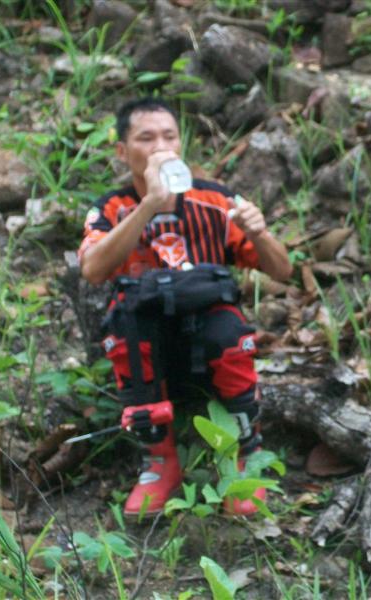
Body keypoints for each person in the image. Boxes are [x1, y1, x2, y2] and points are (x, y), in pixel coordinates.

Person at [77, 97, 292, 516]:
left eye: (169, 137)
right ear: (122, 151)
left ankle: (245, 456)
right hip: (148, 343)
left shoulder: (214, 199)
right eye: (146, 138)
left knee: (228, 328)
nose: (161, 147)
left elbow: (282, 270)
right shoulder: (112, 209)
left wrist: (259, 233)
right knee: (126, 325)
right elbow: (93, 269)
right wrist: (148, 207)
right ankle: (160, 462)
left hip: (210, 337)